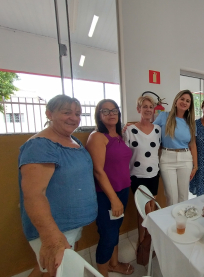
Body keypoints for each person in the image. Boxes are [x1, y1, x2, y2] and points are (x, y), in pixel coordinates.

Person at [18, 95, 97, 277]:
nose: (74, 118)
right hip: (54, 227)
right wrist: (51, 237)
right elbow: (34, 194)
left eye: (78, 114)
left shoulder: (73, 140)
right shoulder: (40, 146)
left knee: (48, 268)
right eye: (67, 112)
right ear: (49, 114)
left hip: (71, 225)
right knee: (52, 270)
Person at [86, 99, 134, 276]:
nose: (111, 113)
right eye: (105, 111)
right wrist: (113, 199)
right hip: (107, 196)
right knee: (108, 236)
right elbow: (98, 171)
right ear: (98, 115)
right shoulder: (97, 137)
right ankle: (102, 273)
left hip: (122, 191)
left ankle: (114, 264)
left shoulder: (118, 135)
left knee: (115, 231)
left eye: (114, 110)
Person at [124, 95, 161, 248]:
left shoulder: (158, 130)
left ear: (153, 110)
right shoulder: (129, 130)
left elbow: (157, 151)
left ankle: (149, 239)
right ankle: (142, 241)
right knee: (144, 210)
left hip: (154, 174)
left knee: (151, 207)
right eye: (144, 106)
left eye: (150, 107)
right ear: (138, 109)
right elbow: (124, 154)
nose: (148, 109)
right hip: (137, 175)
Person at [153, 89, 197, 206]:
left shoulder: (191, 122)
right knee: (171, 196)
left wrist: (195, 166)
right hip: (167, 158)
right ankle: (172, 223)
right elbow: (150, 131)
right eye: (182, 99)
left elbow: (193, 145)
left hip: (185, 158)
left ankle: (182, 222)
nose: (184, 102)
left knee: (183, 195)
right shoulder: (163, 116)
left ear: (190, 105)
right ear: (176, 100)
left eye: (188, 101)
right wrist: (132, 127)